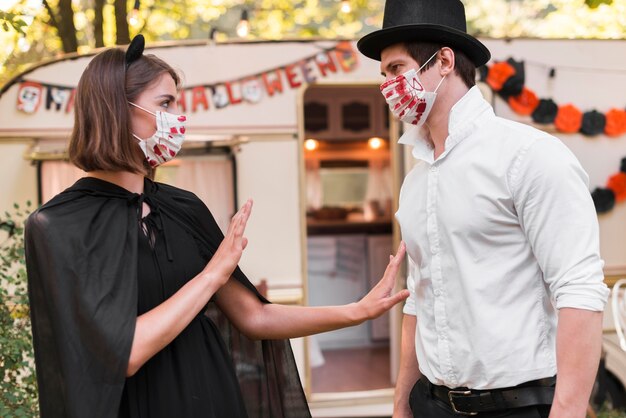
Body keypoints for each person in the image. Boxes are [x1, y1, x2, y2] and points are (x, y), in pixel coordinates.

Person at [24, 35, 410, 418]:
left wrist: (356, 311)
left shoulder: (182, 207)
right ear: (115, 109)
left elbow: (255, 317)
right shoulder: (58, 225)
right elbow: (125, 353)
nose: (177, 119)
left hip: (211, 395)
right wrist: (211, 275)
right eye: (165, 103)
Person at [357, 0, 609, 417]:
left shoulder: (529, 156)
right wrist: (402, 404)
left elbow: (579, 290)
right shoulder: (416, 180)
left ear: (443, 61)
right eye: (383, 74)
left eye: (396, 69)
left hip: (520, 406)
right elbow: (420, 298)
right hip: (432, 404)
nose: (387, 85)